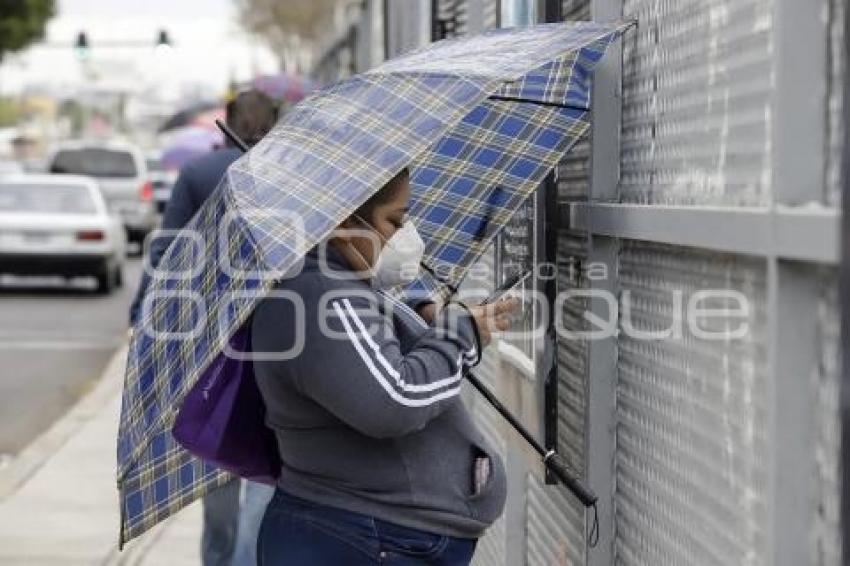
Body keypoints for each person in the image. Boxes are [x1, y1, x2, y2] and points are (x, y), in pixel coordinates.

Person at [252, 167, 518, 565]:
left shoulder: (335, 282)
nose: (406, 236)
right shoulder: (323, 293)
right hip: (364, 538)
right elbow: (396, 400)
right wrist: (462, 337)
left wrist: (418, 316)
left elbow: (357, 347)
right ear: (344, 220)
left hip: (369, 535)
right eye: (395, 220)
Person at [129, 89, 279, 566]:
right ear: (274, 124)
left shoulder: (199, 174)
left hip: (212, 338)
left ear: (227, 122)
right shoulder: (289, 175)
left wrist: (142, 316)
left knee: (219, 452)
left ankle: (219, 556)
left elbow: (166, 254)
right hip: (280, 335)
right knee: (267, 465)